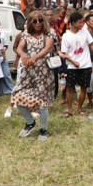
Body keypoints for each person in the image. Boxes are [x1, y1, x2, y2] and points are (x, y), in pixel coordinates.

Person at [12, 10, 56, 140]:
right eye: (34, 21)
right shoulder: (26, 34)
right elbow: (19, 48)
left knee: (42, 104)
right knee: (18, 97)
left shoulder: (49, 33)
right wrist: (23, 54)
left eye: (40, 20)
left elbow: (47, 48)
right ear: (30, 22)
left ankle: (43, 129)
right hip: (28, 72)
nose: (38, 23)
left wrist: (35, 57)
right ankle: (30, 123)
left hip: (43, 72)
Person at [60, 11, 93, 116]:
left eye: (82, 22)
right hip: (72, 67)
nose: (82, 24)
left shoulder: (85, 32)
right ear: (73, 23)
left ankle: (79, 109)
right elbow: (64, 53)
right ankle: (70, 110)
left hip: (86, 66)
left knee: (84, 88)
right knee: (70, 88)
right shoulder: (66, 36)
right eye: (79, 22)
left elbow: (92, 45)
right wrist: (73, 61)